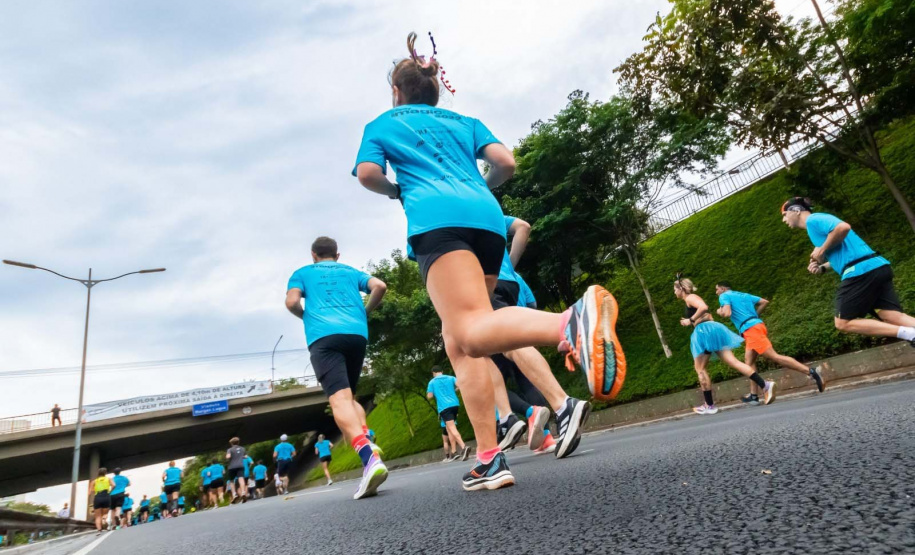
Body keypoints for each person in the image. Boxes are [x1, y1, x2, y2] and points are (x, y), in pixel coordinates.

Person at [353, 33, 623, 490]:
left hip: (437, 223)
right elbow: (506, 163)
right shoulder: (465, 121)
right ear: (434, 89)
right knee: (461, 341)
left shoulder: (383, 122)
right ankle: (489, 457)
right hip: (486, 219)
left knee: (473, 328)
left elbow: (368, 175)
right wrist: (479, 192)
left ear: (396, 92)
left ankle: (570, 323)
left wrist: (400, 190)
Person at [285, 236, 389, 500]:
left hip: (324, 336)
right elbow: (379, 286)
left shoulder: (302, 273)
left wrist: (305, 314)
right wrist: (365, 312)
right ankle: (368, 436)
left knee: (339, 399)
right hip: (356, 334)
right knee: (349, 396)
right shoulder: (350, 271)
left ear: (313, 254)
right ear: (337, 255)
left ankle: (368, 457)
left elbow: (291, 302)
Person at [489, 215, 593, 458]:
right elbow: (523, 227)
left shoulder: (437, 206)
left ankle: (546, 408)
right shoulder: (485, 206)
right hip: (509, 287)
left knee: (480, 350)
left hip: (482, 286)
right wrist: (509, 268)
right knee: (515, 364)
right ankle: (536, 427)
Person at [781, 197, 915, 345]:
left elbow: (843, 227)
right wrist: (822, 267)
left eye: (784, 214)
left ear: (796, 211)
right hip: (876, 266)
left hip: (861, 272)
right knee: (892, 316)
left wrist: (822, 249)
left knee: (842, 323)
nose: (784, 219)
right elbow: (843, 253)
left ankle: (910, 334)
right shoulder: (815, 226)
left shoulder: (813, 219)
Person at [675, 277, 776, 414]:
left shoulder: (690, 298)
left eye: (675, 289)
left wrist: (690, 320)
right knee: (733, 362)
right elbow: (708, 315)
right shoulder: (693, 298)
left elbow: (704, 307)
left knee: (700, 369)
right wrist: (692, 321)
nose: (674, 292)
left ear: (682, 288)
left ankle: (709, 405)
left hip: (704, 332)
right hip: (715, 329)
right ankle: (765, 384)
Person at [715, 281, 825, 404]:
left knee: (774, 356)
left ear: (723, 289)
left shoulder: (724, 296)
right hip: (756, 326)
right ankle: (754, 396)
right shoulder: (743, 295)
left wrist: (720, 312)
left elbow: (727, 313)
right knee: (749, 362)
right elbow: (764, 302)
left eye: (717, 289)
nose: (716, 292)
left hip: (751, 330)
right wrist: (753, 317)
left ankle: (811, 372)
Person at [426, 366, 472, 461]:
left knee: (451, 428)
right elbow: (460, 385)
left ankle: (464, 447)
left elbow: (429, 396)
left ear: (433, 373)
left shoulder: (432, 382)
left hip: (444, 407)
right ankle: (454, 452)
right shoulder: (451, 377)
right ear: (442, 371)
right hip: (455, 404)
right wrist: (452, 391)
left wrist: (436, 393)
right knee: (449, 429)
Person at [225, 437, 249, 503]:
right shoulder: (242, 448)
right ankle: (243, 492)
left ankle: (234, 494)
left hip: (232, 467)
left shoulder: (230, 450)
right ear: (238, 442)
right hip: (240, 466)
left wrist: (227, 457)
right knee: (241, 479)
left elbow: (228, 457)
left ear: (231, 443)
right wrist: (240, 456)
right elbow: (246, 456)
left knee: (232, 481)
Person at [92, 467, 112, 534]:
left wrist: (96, 490)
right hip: (106, 496)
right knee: (105, 513)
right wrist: (110, 491)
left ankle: (99, 530)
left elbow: (90, 491)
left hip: (97, 497)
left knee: (97, 516)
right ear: (105, 473)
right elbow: (114, 485)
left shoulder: (94, 481)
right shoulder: (108, 479)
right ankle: (104, 520)